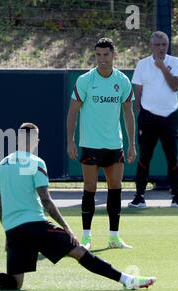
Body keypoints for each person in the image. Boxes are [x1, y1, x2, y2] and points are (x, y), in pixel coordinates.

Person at [0, 123, 156, 291]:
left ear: (18, 139)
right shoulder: (36, 162)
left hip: (13, 229)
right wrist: (66, 227)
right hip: (36, 225)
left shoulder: (2, 165)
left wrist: (8, 231)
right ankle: (127, 279)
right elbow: (46, 201)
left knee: (15, 283)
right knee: (80, 252)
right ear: (36, 141)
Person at [66, 38, 136, 250]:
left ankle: (114, 237)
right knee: (90, 188)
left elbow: (128, 113)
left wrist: (132, 143)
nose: (102, 59)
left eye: (106, 55)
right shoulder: (85, 81)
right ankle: (86, 237)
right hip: (90, 144)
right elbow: (73, 112)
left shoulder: (123, 81)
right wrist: (70, 140)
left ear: (114, 55)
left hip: (115, 145)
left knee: (115, 189)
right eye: (98, 55)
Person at [128, 31, 178, 208]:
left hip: (170, 116)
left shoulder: (175, 62)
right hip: (148, 118)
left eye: (164, 45)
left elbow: (175, 86)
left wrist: (162, 67)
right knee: (145, 157)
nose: (161, 48)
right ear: (151, 46)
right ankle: (139, 197)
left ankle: (176, 197)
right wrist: (141, 112)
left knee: (172, 157)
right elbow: (137, 91)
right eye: (157, 45)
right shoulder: (142, 64)